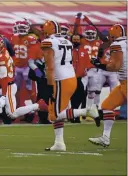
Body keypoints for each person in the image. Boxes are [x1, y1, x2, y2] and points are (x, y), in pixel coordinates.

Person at [40, 20, 100, 151]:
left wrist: (50, 86)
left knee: (54, 115)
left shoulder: (49, 42)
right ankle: (59, 143)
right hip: (70, 78)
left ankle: (87, 111)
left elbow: (50, 67)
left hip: (61, 80)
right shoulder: (66, 41)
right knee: (54, 111)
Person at [89, 24, 126, 147]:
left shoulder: (117, 45)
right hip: (123, 84)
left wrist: (99, 64)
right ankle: (105, 138)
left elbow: (115, 66)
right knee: (107, 106)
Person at [70, 34, 90, 123]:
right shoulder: (68, 49)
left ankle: (74, 113)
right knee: (73, 96)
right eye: (74, 39)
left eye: (77, 39)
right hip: (70, 77)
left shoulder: (83, 50)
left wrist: (86, 70)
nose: (76, 41)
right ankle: (73, 114)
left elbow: (87, 61)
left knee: (81, 95)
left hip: (79, 77)